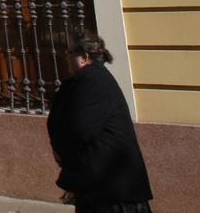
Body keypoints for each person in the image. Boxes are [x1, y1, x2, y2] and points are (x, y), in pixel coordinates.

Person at [47, 33, 153, 213]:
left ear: (84, 58)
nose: (65, 56)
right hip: (102, 186)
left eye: (69, 52)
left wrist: (62, 151)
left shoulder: (93, 81)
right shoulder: (88, 80)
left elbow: (79, 128)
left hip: (113, 191)